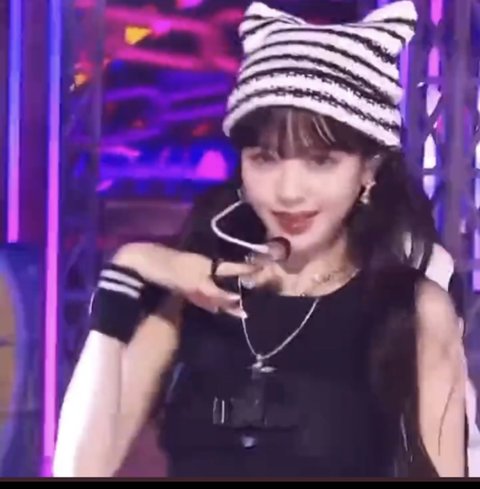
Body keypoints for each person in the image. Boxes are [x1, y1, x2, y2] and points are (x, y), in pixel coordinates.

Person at [52, 1, 469, 478]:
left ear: (368, 171)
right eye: (265, 158)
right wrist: (128, 268)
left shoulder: (411, 309)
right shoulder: (194, 297)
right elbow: (78, 468)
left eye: (321, 161)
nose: (289, 191)